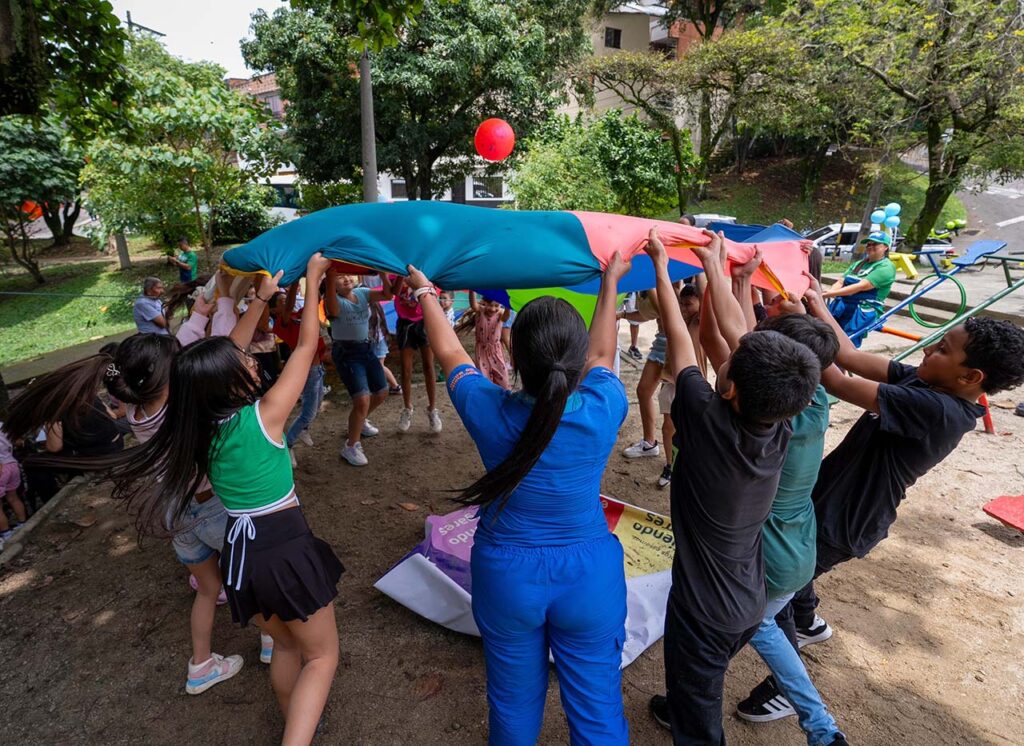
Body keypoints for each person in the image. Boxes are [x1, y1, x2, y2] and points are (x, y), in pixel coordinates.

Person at [407, 251, 632, 744]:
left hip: (506, 574)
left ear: (516, 359)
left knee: (512, 703)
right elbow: (600, 355)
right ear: (573, 366)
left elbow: (450, 354)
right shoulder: (606, 404)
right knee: (597, 708)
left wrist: (426, 292)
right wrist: (609, 282)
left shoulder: (487, 407)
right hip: (589, 575)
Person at [756, 278, 1024, 658]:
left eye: (942, 349)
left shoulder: (941, 411)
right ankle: (809, 622)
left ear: (970, 376)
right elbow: (848, 356)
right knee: (798, 577)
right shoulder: (930, 380)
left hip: (845, 519)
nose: (929, 349)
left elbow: (836, 382)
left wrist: (803, 326)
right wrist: (817, 305)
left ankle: (783, 687)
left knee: (771, 598)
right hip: (833, 500)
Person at [645, 228, 821, 745]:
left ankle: (689, 714)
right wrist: (717, 268)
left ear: (733, 387)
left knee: (699, 717)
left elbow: (682, 341)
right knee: (698, 683)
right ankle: (682, 701)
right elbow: (744, 341)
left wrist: (663, 268)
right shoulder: (782, 421)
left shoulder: (706, 417)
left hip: (704, 613)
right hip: (748, 599)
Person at [325, 272, 394, 466]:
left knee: (381, 392)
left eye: (347, 275)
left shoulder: (362, 293)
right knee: (362, 399)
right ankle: (350, 446)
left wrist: (382, 272)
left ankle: (360, 421)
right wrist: (329, 273)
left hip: (366, 347)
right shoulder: (332, 300)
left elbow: (388, 295)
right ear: (332, 284)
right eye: (339, 277)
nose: (346, 278)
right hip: (346, 352)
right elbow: (333, 306)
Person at [275, 283, 329, 468]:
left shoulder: (302, 316)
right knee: (308, 413)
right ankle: (287, 446)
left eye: (286, 299)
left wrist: (324, 277)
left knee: (316, 405)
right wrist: (293, 286)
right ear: (275, 308)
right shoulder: (283, 323)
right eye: (280, 301)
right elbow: (288, 306)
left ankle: (304, 429)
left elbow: (316, 298)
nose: (286, 302)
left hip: (318, 368)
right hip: (307, 371)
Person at [655, 284, 703, 489]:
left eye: (689, 304)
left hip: (692, 384)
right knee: (668, 428)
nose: (684, 308)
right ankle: (670, 465)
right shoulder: (677, 320)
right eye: (681, 304)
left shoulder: (700, 322)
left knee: (691, 430)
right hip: (671, 382)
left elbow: (706, 291)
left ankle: (687, 466)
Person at [389, 274, 442, 434]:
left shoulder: (427, 271)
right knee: (406, 369)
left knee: (428, 365)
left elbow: (432, 292)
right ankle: (407, 408)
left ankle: (432, 409)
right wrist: (400, 276)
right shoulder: (395, 271)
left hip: (424, 320)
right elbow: (395, 292)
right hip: (405, 323)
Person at [823, 231, 895, 346]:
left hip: (862, 309)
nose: (870, 247)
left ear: (885, 247)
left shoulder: (886, 267)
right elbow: (841, 281)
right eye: (869, 244)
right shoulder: (858, 264)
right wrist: (832, 291)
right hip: (843, 305)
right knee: (826, 334)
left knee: (847, 342)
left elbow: (861, 286)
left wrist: (829, 294)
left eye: (875, 244)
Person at [468, 291, 511, 389]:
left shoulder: (500, 314)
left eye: (497, 305)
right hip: (482, 351)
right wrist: (472, 290)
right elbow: (473, 305)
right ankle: (488, 399)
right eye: (490, 305)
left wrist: (507, 304)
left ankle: (504, 396)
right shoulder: (480, 311)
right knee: (484, 378)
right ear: (484, 303)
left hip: (496, 351)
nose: (493, 309)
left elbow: (506, 317)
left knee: (502, 376)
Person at [0, 425, 27, 546]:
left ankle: (6, 535)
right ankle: (23, 524)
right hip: (12, 464)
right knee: (13, 497)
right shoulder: (3, 425)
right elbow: (18, 442)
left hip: (0, 468)